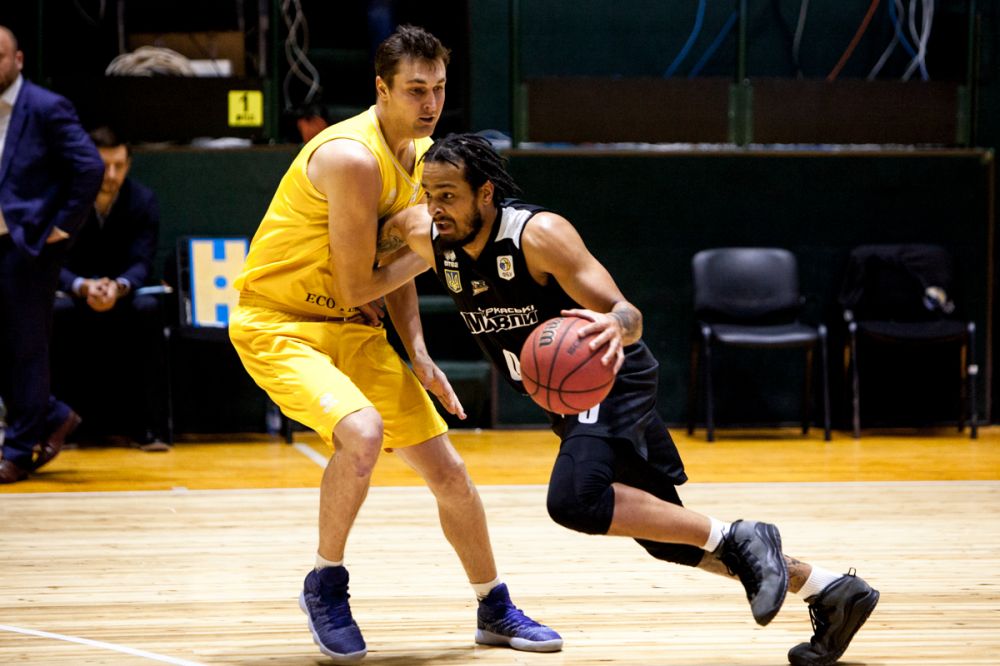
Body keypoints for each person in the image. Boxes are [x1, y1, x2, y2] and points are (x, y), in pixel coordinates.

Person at [394, 132, 880, 666]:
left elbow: (629, 315)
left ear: (485, 193)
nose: (435, 207)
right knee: (668, 538)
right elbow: (371, 250)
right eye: (429, 195)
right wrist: (408, 342)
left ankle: (742, 535)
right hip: (567, 402)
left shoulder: (538, 235)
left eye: (448, 195)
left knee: (574, 501)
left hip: (613, 378)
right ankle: (831, 591)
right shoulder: (426, 232)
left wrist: (612, 323)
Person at [228, 25, 560, 661]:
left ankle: (494, 606)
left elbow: (389, 272)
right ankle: (325, 583)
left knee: (450, 474)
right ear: (381, 89)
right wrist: (432, 246)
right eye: (415, 90)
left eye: (438, 88)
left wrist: (419, 353)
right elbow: (360, 283)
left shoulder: (423, 154)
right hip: (280, 323)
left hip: (354, 330)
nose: (430, 103)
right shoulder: (351, 157)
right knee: (362, 433)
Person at [0, 25, 104, 484]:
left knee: (26, 349)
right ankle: (55, 414)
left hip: (26, 248)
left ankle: (19, 452)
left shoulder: (45, 106)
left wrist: (60, 228)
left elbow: (89, 166)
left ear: (18, 59)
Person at [51, 126, 168, 451]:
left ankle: (147, 428)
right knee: (54, 311)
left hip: (121, 294)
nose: (111, 175)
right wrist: (82, 286)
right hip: (75, 294)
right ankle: (62, 427)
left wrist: (118, 286)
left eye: (119, 166)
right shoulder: (66, 199)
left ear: (128, 165)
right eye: (104, 166)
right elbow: (52, 260)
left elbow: (142, 261)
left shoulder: (142, 200)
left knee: (149, 310)